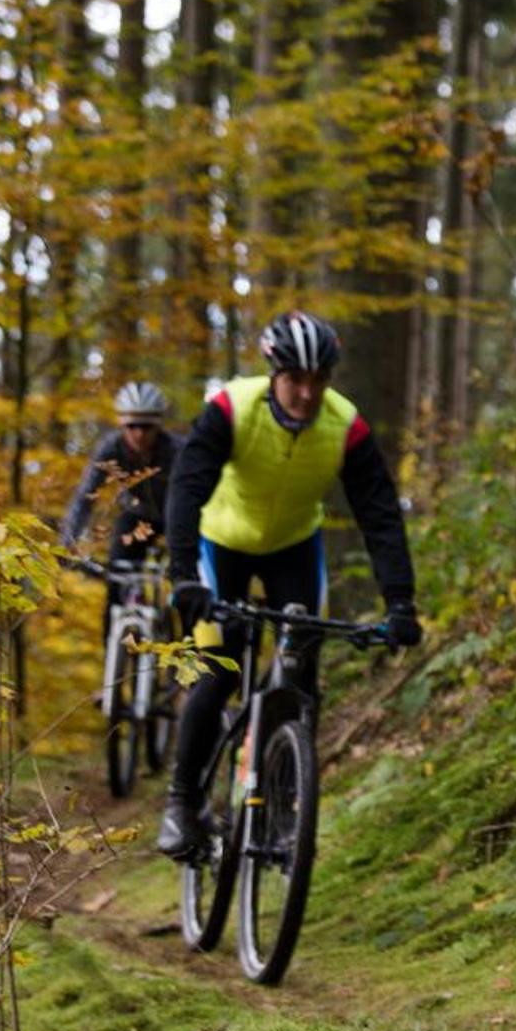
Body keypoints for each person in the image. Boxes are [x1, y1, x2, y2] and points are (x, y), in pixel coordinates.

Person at [155, 310, 422, 858]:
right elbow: (186, 487)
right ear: (274, 374)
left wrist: (400, 602)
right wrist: (182, 575)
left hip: (293, 549)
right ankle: (182, 804)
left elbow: (380, 517)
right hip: (220, 545)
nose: (306, 393)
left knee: (300, 680)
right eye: (295, 379)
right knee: (217, 670)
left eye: (318, 380)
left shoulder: (345, 426)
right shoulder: (232, 408)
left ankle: (279, 807)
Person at [61, 381, 178, 633]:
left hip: (174, 518)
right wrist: (69, 540)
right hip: (135, 518)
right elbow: (84, 496)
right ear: (122, 424)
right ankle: (112, 648)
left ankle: (188, 648)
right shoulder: (110, 448)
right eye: (132, 426)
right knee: (115, 584)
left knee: (187, 587)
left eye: (146, 426)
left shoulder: (175, 450)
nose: (139, 433)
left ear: (158, 425)